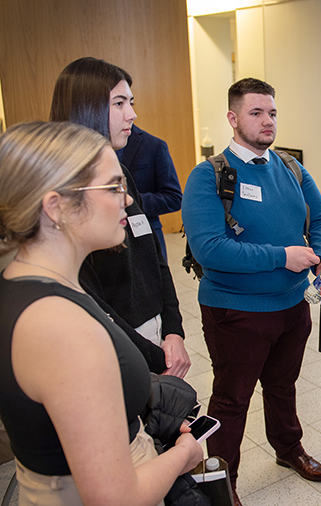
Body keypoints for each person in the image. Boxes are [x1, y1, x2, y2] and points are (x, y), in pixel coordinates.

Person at [0, 121, 203, 506]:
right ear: (56, 207)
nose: (127, 200)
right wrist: (183, 456)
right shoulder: (62, 328)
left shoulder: (27, 280)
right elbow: (115, 498)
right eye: (112, 187)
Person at [182, 78, 321, 502]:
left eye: (272, 112)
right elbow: (210, 249)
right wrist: (281, 257)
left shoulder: (291, 167)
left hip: (293, 306)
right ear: (233, 119)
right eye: (256, 113)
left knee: (283, 385)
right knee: (232, 401)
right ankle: (222, 480)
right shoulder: (207, 176)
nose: (267, 120)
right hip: (236, 313)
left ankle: (289, 450)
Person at [50, 57, 191, 377]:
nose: (133, 114)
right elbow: (89, 301)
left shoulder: (120, 173)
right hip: (113, 347)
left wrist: (173, 331)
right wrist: (154, 359)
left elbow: (154, 259)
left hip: (155, 336)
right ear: (85, 108)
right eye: (119, 103)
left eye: (131, 102)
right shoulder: (64, 193)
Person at [117, 125, 183, 260]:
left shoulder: (154, 145)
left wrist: (131, 200)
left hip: (145, 236)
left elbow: (174, 198)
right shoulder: (85, 144)